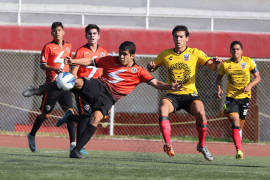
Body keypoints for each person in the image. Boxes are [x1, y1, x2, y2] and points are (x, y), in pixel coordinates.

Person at [23, 41, 182, 158]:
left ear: (132, 55)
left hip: (109, 98)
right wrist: (74, 61)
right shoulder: (110, 60)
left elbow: (155, 83)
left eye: (124, 54)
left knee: (95, 118)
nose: (121, 56)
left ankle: (76, 150)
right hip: (99, 86)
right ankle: (38, 89)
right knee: (74, 81)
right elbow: (90, 62)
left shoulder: (139, 71)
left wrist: (170, 86)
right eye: (120, 52)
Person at [147, 25, 222, 161]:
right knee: (163, 108)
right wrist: (150, 66)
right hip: (173, 93)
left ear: (187, 38)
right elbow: (152, 67)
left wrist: (216, 64)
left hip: (190, 94)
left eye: (181, 36)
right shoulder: (165, 54)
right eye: (176, 36)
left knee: (201, 113)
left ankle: (201, 145)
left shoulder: (195, 53)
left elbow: (211, 66)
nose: (178, 39)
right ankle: (168, 144)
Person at [22, 22, 75, 152]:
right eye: (54, 31)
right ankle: (32, 135)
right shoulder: (48, 46)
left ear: (64, 32)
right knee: (45, 115)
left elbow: (70, 63)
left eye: (59, 30)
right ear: (51, 33)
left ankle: (73, 144)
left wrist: (71, 76)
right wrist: (54, 69)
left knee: (70, 114)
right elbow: (42, 65)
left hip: (65, 87)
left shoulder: (69, 46)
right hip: (52, 86)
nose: (57, 33)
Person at [57, 24, 108, 154]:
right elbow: (74, 71)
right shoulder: (81, 51)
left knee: (90, 116)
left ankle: (70, 118)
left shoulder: (103, 52)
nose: (92, 36)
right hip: (83, 88)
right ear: (86, 36)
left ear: (99, 36)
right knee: (86, 116)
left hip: (96, 89)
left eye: (94, 33)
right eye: (90, 34)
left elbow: (105, 71)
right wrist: (76, 87)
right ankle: (79, 147)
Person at [216, 40, 261, 159]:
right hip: (231, 97)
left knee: (240, 125)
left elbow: (258, 77)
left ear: (241, 51)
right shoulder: (225, 64)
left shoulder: (248, 62)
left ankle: (238, 132)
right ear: (230, 51)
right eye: (233, 49)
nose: (235, 51)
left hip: (245, 98)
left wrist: (250, 85)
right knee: (235, 121)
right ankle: (239, 150)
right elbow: (219, 78)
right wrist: (219, 89)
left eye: (237, 49)